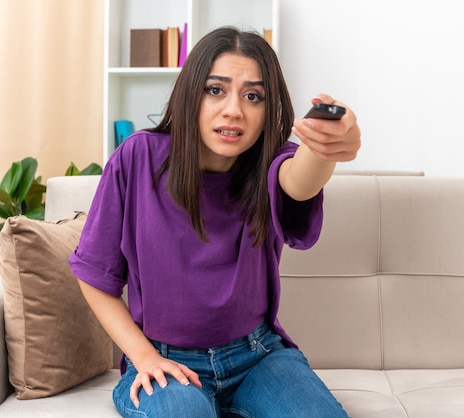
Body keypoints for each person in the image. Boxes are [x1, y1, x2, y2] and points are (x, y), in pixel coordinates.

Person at [69, 26, 360, 418]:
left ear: (267, 111)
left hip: (257, 357)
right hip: (166, 361)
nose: (234, 110)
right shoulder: (137, 158)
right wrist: (143, 357)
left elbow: (300, 180)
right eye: (215, 90)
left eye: (253, 96)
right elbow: (94, 275)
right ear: (192, 95)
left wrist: (325, 146)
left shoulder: (272, 163)